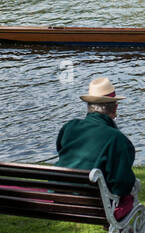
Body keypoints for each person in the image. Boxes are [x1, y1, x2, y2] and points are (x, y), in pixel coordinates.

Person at [56, 77, 138, 219]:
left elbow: (62, 153)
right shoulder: (117, 139)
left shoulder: (69, 127)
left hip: (60, 195)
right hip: (95, 204)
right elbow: (121, 185)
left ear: (89, 106)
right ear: (115, 108)